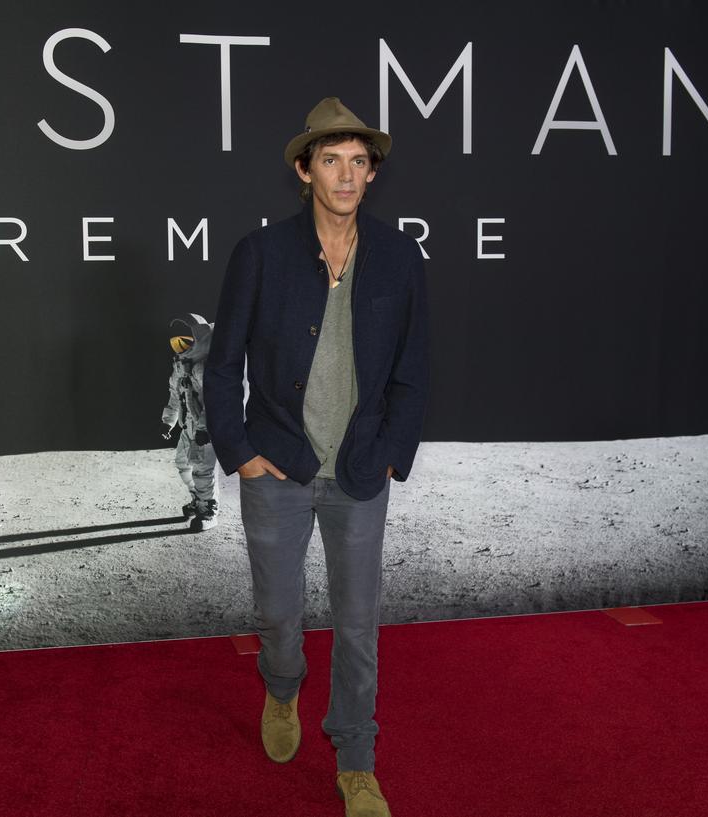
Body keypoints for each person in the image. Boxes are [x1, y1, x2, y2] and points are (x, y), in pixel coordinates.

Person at [204, 97, 430, 817]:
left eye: (359, 162)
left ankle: (356, 759)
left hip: (361, 470)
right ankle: (281, 684)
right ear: (305, 170)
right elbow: (222, 363)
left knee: (359, 623)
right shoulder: (262, 253)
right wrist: (238, 450)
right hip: (277, 465)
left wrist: (394, 450)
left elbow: (413, 368)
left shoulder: (398, 256)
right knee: (278, 615)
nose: (346, 175)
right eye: (331, 160)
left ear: (371, 174)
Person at [161, 313, 219, 530]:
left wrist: (205, 428)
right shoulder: (181, 365)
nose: (180, 348)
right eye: (175, 343)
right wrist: (169, 421)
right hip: (189, 425)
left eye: (185, 342)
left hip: (206, 428)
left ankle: (208, 510)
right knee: (183, 464)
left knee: (202, 469)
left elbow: (214, 401)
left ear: (200, 340)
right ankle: (198, 499)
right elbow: (174, 394)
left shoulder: (206, 367)